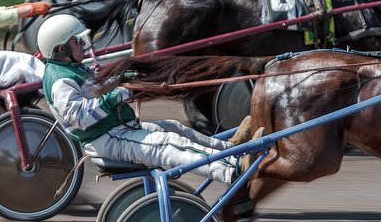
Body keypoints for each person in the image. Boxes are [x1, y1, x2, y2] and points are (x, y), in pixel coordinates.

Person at [37, 14, 259, 184]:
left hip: (118, 130)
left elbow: (97, 90)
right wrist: (120, 93)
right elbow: (81, 117)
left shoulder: (70, 68)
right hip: (107, 139)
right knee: (168, 145)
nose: (83, 46)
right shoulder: (60, 81)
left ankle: (229, 148)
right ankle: (233, 169)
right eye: (78, 42)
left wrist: (122, 79)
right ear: (61, 48)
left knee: (174, 128)